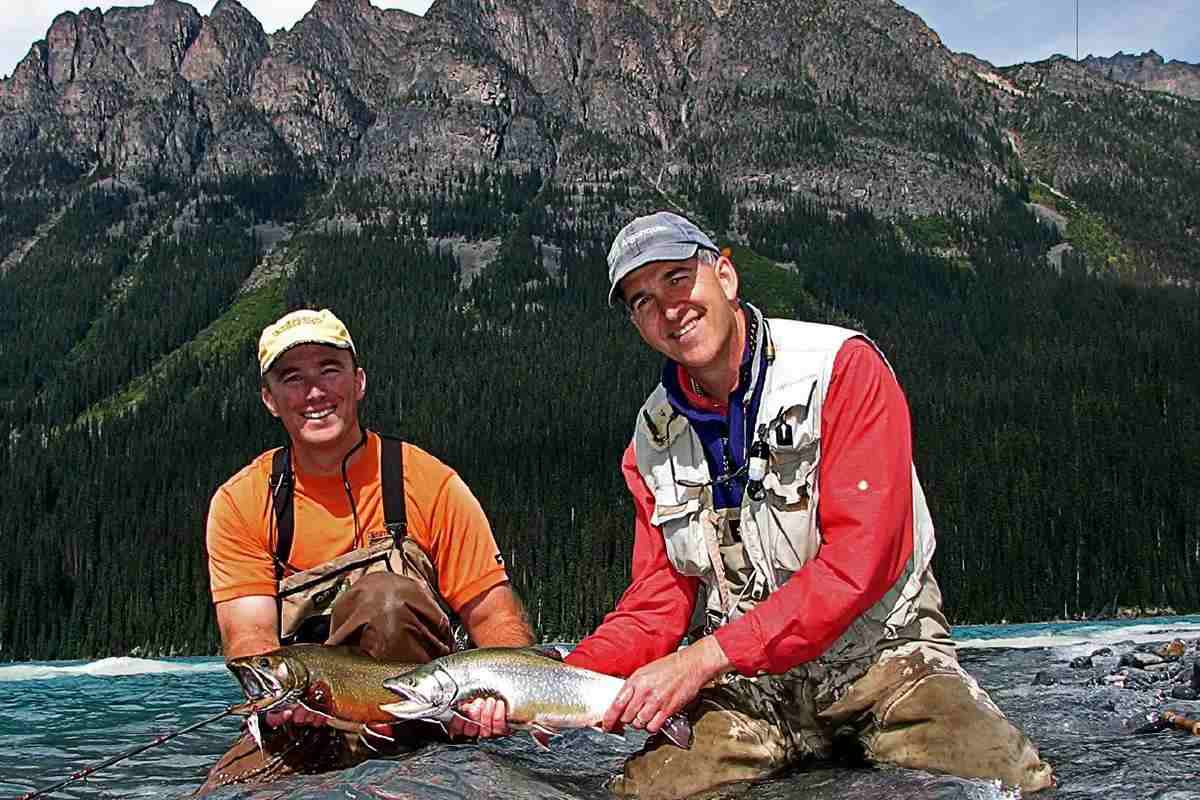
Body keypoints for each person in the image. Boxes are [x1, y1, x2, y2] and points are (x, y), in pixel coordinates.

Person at [562, 212, 1055, 798]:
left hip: (883, 659)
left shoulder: (842, 369)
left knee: (1011, 783)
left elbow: (859, 563)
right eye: (643, 300)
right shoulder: (651, 438)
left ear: (725, 274)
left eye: (677, 277)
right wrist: (541, 687)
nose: (668, 309)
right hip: (752, 683)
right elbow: (656, 603)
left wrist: (699, 662)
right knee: (639, 793)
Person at [199, 308, 532, 792]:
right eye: (293, 378)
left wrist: (497, 696)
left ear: (358, 382)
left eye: (329, 370)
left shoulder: (431, 484)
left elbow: (497, 619)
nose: (314, 392)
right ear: (270, 400)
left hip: (432, 719)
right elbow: (249, 640)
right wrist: (280, 704)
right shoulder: (240, 502)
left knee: (385, 598)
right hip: (306, 725)